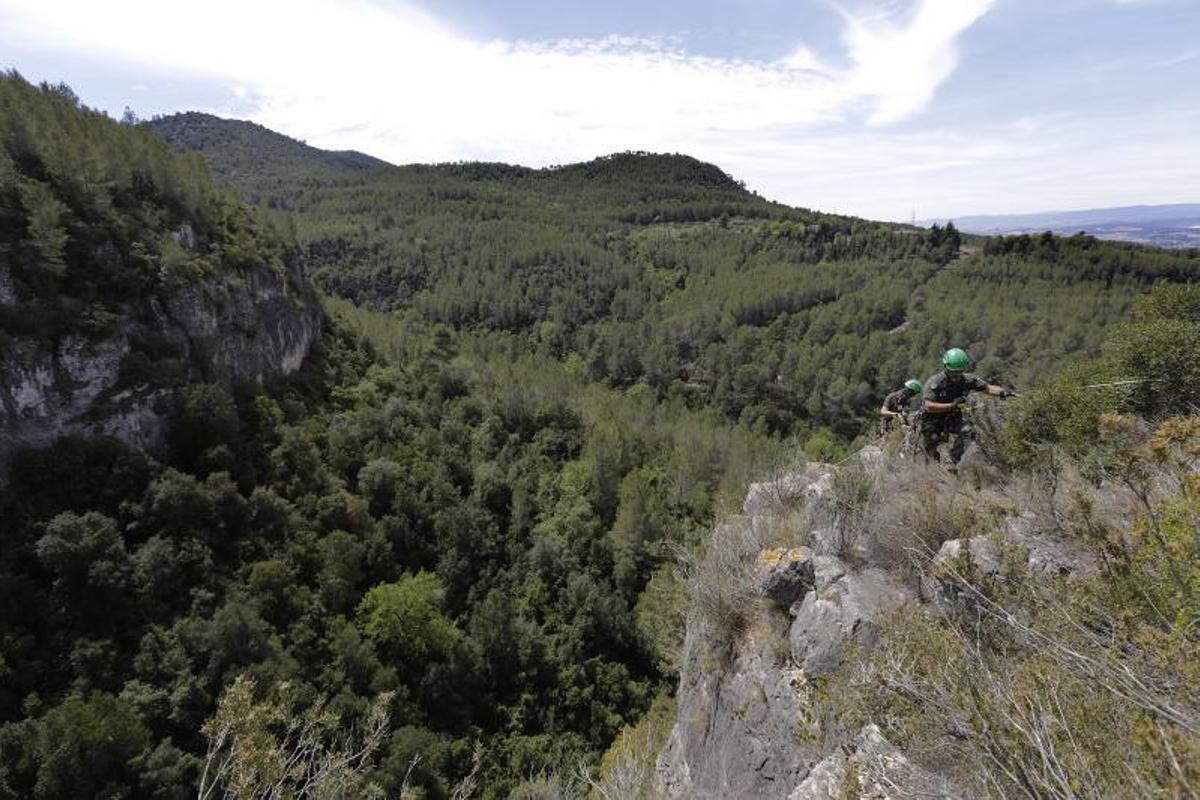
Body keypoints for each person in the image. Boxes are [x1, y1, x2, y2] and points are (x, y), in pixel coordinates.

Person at [921, 348, 1016, 469]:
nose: (956, 376)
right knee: (931, 452)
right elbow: (929, 406)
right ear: (945, 367)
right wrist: (951, 405)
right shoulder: (935, 382)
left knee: (968, 430)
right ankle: (932, 473)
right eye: (952, 373)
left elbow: (988, 388)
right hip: (933, 419)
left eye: (959, 373)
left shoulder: (968, 380)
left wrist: (1003, 392)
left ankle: (951, 461)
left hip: (953, 417)